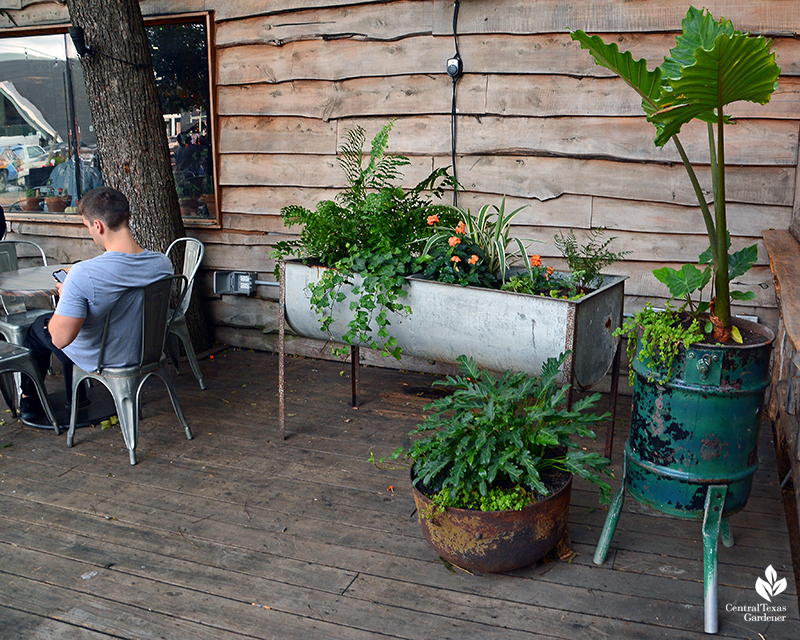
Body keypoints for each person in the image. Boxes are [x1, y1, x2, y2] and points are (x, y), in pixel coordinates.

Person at [19, 187, 174, 422]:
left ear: (98, 226)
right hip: (146, 351)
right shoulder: (162, 264)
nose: (91, 232)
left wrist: (67, 293)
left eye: (88, 226)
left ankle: (30, 403)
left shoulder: (83, 274)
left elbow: (61, 339)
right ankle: (75, 396)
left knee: (38, 329)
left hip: (105, 355)